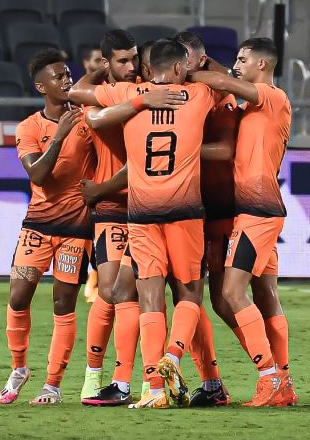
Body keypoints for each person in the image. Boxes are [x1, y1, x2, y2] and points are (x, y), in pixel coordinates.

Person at [69, 39, 216, 409]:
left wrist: (116, 78)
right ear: (181, 68)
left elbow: (77, 92)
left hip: (140, 214)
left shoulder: (129, 93)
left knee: (148, 298)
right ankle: (174, 357)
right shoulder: (198, 95)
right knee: (189, 294)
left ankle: (153, 389)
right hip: (185, 213)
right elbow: (227, 79)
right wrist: (198, 68)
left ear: (148, 67)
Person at [190, 37, 298, 407]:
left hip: (257, 212)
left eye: (242, 59)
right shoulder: (255, 105)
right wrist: (207, 63)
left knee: (231, 294)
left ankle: (269, 377)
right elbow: (227, 77)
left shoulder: (272, 96)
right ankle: (284, 382)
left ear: (262, 64)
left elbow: (223, 81)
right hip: (260, 211)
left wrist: (185, 71)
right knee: (266, 297)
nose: (236, 66)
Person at [78, 31, 181, 404]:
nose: (132, 66)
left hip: (144, 207)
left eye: (134, 58)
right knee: (109, 292)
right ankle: (95, 377)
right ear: (107, 62)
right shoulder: (116, 94)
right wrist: (136, 99)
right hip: (111, 209)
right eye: (122, 60)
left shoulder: (149, 90)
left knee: (144, 292)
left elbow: (143, 158)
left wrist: (102, 187)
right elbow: (93, 117)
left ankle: (137, 381)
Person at [0, 48, 95, 405]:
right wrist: (59, 136)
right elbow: (38, 175)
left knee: (63, 305)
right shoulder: (29, 127)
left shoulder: (88, 120)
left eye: (68, 74)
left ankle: (52, 385)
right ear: (42, 86)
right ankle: (19, 367)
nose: (67, 80)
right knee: (18, 297)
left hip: (76, 228)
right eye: (59, 76)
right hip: (37, 225)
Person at [172, 31, 238, 407]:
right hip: (187, 210)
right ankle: (212, 384)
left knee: (226, 300)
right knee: (190, 298)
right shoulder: (176, 96)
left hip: (220, 209)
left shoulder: (221, 97)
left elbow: (225, 150)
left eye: (185, 61)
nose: (178, 68)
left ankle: (275, 373)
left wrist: (179, 150)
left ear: (199, 61)